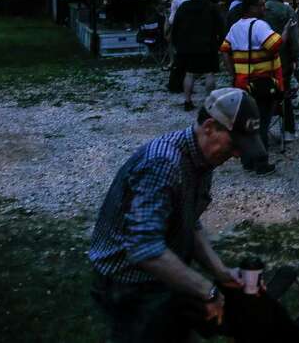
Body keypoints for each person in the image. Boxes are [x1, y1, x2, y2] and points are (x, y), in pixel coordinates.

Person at [89, 88, 270, 342]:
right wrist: (207, 291)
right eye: (234, 143)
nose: (238, 154)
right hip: (130, 284)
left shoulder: (201, 158)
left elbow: (188, 221)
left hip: (161, 276)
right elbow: (144, 248)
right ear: (209, 127)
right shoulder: (163, 164)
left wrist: (221, 273)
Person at [220, 0, 283, 176]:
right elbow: (275, 45)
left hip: (242, 82)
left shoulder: (235, 27)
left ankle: (247, 161)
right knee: (262, 124)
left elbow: (224, 51)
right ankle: (261, 164)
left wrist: (233, 73)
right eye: (261, 5)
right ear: (251, 8)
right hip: (262, 83)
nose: (265, 8)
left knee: (247, 123)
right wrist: (286, 33)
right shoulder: (260, 25)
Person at [169, 0, 225, 110]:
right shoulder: (211, 7)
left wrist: (177, 44)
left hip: (188, 47)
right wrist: (220, 43)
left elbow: (176, 27)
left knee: (189, 74)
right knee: (209, 73)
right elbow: (220, 27)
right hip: (208, 46)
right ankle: (209, 102)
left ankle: (187, 101)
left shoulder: (183, 7)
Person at [262, 0, 299, 143]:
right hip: (282, 58)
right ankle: (288, 131)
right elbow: (293, 36)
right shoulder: (288, 11)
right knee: (284, 94)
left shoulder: (262, 9)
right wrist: (296, 56)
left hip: (262, 58)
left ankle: (262, 130)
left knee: (262, 94)